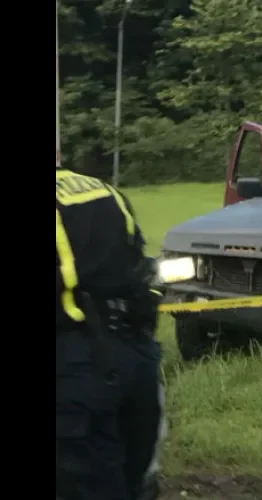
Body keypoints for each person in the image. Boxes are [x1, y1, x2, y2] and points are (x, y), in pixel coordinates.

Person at [56, 163, 165, 500]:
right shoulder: (102, 190)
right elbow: (144, 269)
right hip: (136, 352)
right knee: (133, 480)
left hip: (76, 365)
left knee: (85, 483)